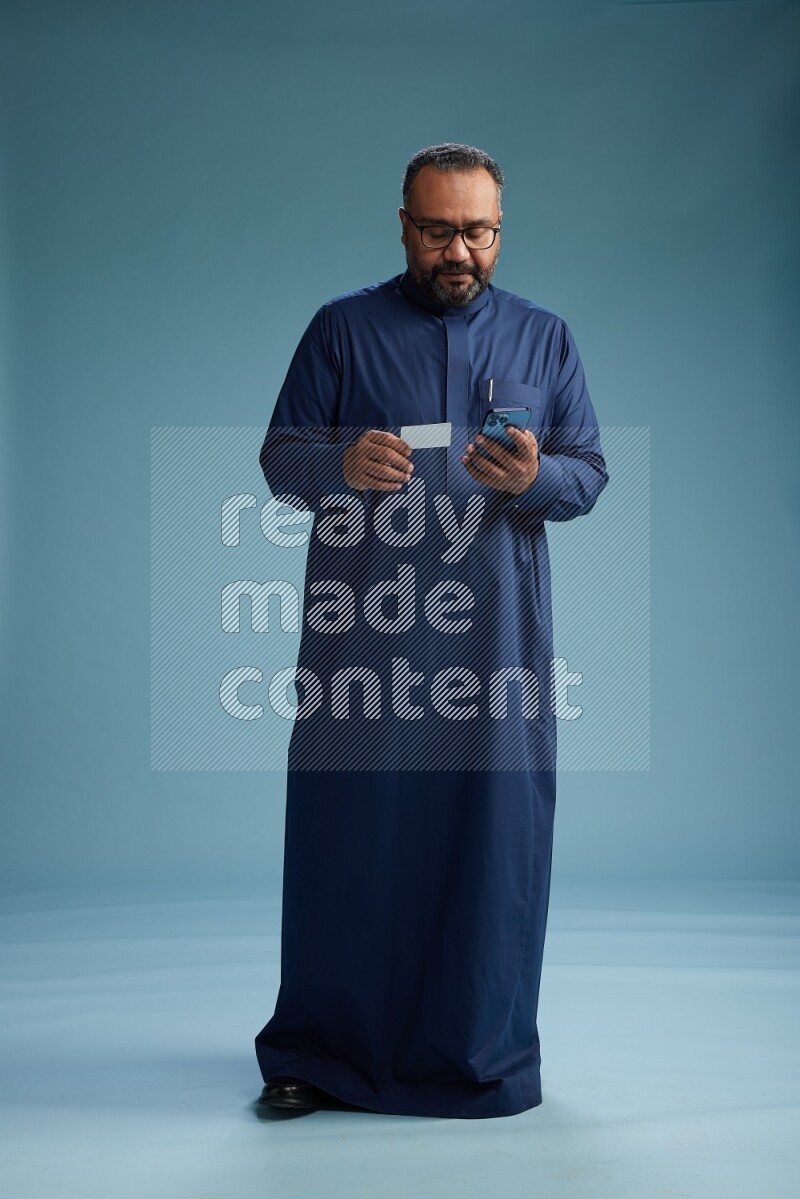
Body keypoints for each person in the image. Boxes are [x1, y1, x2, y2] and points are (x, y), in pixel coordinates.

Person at [254, 143, 608, 1119]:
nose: (457, 250)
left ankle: (478, 1055)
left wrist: (533, 478)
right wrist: (337, 463)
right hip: (361, 641)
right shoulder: (341, 331)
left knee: (487, 846)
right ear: (402, 225)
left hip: (493, 651)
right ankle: (314, 1056)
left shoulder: (544, 337)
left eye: (476, 231)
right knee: (345, 839)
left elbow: (587, 471)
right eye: (437, 229)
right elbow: (280, 453)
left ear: (499, 229)